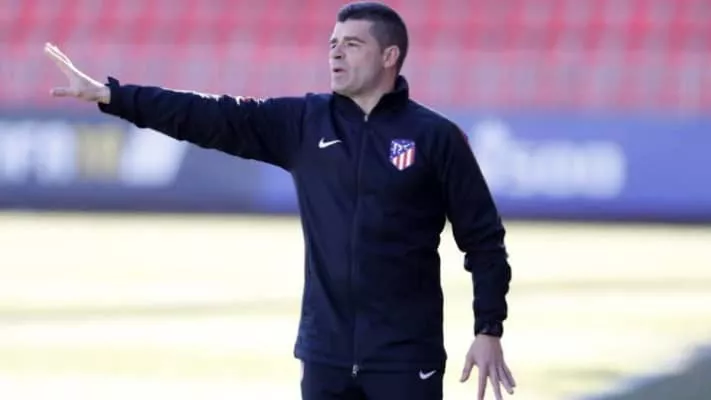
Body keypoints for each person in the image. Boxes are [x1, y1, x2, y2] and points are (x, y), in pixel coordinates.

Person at [44, 2, 516, 399]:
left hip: (406, 360)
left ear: (389, 56)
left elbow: (484, 241)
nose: (336, 52)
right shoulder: (304, 123)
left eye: (352, 44)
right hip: (324, 356)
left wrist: (488, 328)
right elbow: (209, 115)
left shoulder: (435, 137)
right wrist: (113, 96)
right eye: (333, 43)